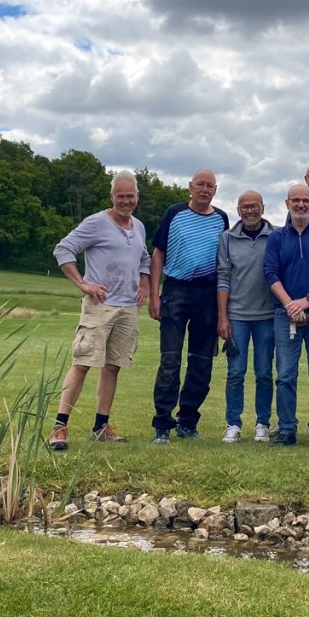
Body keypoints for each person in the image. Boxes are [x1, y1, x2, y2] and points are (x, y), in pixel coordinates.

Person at [48, 170, 151, 450]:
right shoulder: (96, 223)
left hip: (128, 308)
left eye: (130, 196)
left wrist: (144, 284)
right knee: (82, 363)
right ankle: (59, 427)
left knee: (112, 366)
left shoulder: (138, 227)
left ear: (137, 197)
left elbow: (144, 258)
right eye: (121, 196)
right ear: (112, 196)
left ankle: (100, 427)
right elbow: (64, 249)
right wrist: (82, 284)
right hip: (100, 306)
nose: (126, 201)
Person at [148, 168, 230, 443]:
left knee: (201, 363)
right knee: (170, 360)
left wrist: (223, 311)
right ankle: (162, 423)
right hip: (176, 290)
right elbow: (158, 254)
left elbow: (224, 264)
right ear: (190, 187)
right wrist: (154, 294)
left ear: (215, 190)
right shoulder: (174, 213)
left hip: (207, 294)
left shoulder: (221, 219)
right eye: (200, 184)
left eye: (210, 185)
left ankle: (188, 420)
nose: (204, 189)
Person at [263, 183, 309, 448]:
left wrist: (306, 301)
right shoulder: (276, 238)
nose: (301, 205)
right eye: (295, 200)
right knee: (285, 374)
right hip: (285, 314)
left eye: (305, 200)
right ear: (287, 204)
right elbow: (271, 274)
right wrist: (290, 306)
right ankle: (286, 430)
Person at [217, 190, 276, 444]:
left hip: (268, 315)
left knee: (264, 372)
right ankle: (233, 423)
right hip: (237, 315)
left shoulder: (276, 236)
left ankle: (262, 423)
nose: (250, 211)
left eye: (254, 206)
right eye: (244, 207)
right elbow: (223, 277)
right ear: (238, 210)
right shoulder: (227, 238)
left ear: (262, 207)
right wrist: (223, 317)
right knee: (236, 372)